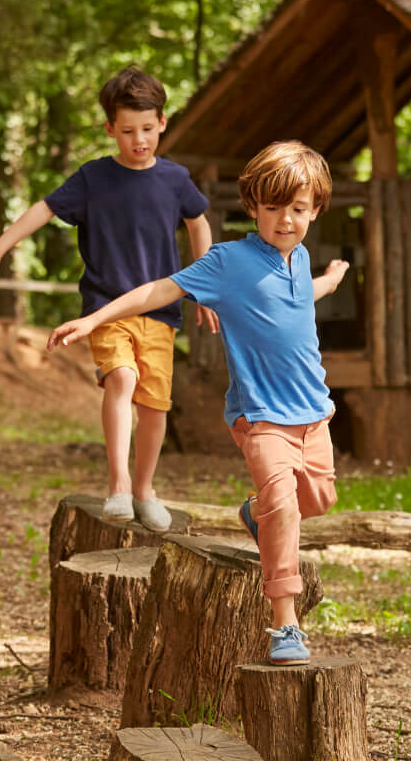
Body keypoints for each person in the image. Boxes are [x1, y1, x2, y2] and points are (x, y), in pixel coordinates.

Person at [48, 141, 345, 665]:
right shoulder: (229, 261)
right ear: (253, 206)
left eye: (298, 209)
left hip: (314, 413)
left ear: (315, 210)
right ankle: (286, 625)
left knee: (315, 501)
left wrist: (332, 279)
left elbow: (299, 300)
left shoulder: (298, 258)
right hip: (261, 417)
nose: (286, 220)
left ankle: (256, 514)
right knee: (283, 505)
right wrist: (95, 319)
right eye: (274, 207)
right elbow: (157, 292)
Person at [0, 67, 213, 532]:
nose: (138, 140)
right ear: (109, 129)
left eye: (146, 129)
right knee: (121, 378)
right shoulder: (94, 178)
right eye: (126, 131)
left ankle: (145, 490)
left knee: (156, 405)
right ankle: (118, 485)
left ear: (162, 122)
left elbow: (198, 223)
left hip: (159, 312)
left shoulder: (176, 180)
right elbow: (44, 209)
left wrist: (204, 287)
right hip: (105, 309)